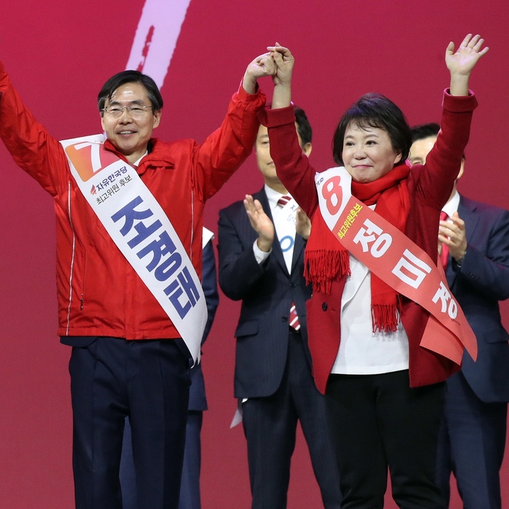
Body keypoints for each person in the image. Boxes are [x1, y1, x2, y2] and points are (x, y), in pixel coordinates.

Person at [0, 26, 275, 508]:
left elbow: (236, 140)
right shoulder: (75, 168)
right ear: (101, 118)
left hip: (161, 347)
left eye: (137, 107)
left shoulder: (189, 166)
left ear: (157, 116)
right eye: (113, 108)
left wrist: (247, 87)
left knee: (159, 480)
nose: (125, 117)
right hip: (95, 346)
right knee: (95, 479)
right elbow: (23, 136)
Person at [262, 35, 487, 508]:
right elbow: (287, 159)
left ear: (398, 150)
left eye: (371, 141)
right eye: (349, 142)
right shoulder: (327, 195)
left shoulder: (422, 191)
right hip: (344, 371)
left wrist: (459, 81)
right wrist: (282, 89)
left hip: (407, 366)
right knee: (356, 494)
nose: (358, 152)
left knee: (417, 491)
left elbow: (450, 147)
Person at [217, 108, 340, 509]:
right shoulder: (236, 216)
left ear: (304, 148)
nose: (271, 151)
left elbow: (352, 275)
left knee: (341, 486)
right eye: (264, 142)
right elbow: (231, 285)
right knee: (266, 494)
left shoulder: (333, 208)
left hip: (327, 360)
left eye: (283, 142)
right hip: (263, 365)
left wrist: (315, 234)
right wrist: (262, 245)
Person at [409, 123, 509, 509]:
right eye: (416, 164)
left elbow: (503, 283)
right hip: (418, 376)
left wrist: (466, 253)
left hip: (474, 378)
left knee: (481, 494)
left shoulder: (492, 220)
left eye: (434, 160)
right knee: (421, 496)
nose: (426, 171)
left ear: (458, 166)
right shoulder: (399, 227)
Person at [119, 229, 218, 509]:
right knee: (126, 495)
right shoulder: (115, 221)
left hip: (179, 383)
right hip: (122, 387)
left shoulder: (196, 232)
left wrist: (166, 356)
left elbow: (205, 302)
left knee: (182, 498)